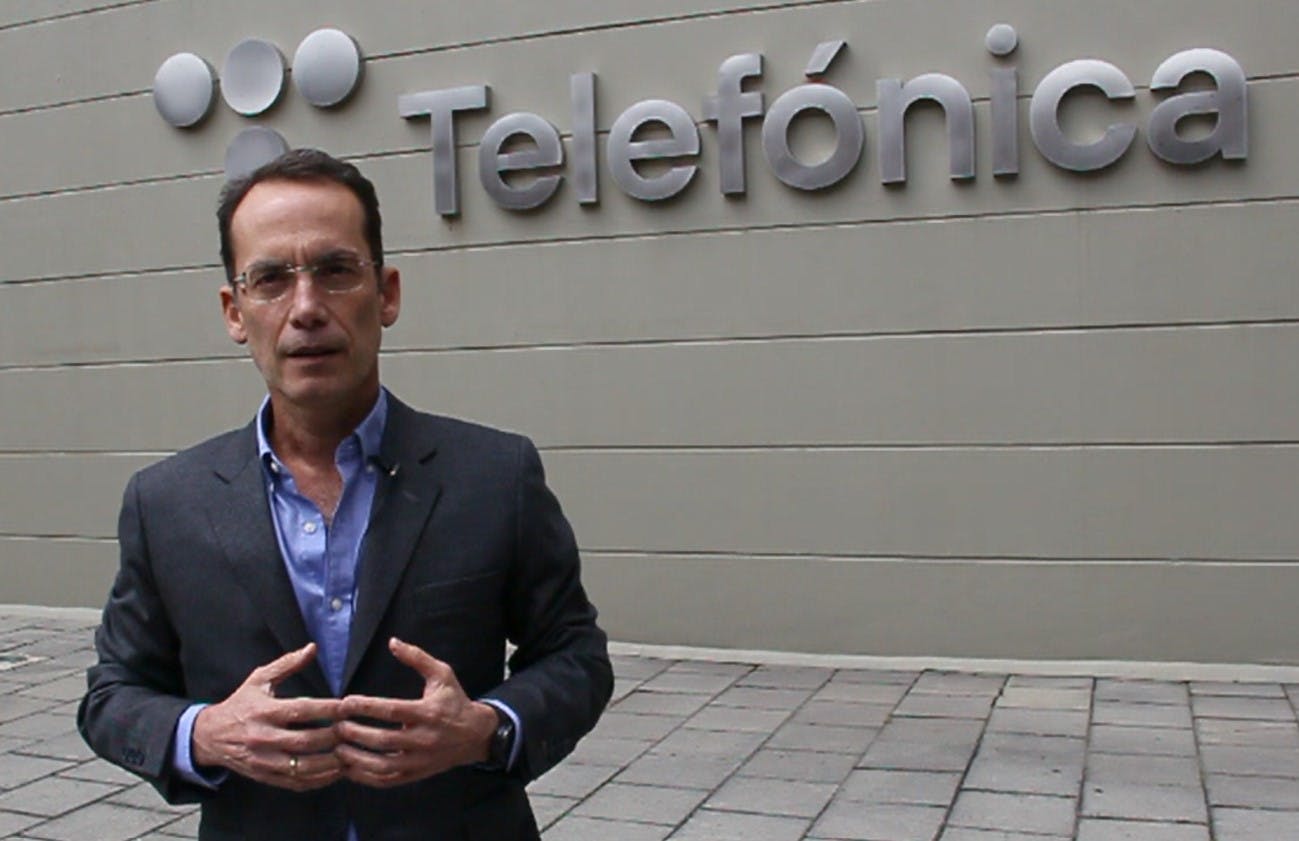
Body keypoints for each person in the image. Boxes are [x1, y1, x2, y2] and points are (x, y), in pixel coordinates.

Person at [77, 149, 612, 840]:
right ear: (234, 310)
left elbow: (573, 653)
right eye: (270, 278)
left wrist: (486, 728)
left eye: (335, 271)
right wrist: (205, 731)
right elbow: (112, 693)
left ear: (385, 292)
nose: (305, 309)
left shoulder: (495, 474)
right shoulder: (166, 502)